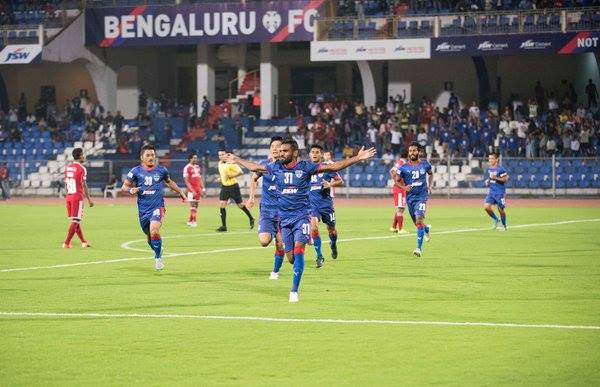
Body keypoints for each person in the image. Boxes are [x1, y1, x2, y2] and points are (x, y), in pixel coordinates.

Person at [226, 139, 376, 302]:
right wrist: (237, 160)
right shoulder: (275, 167)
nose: (281, 153)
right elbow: (255, 168)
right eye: (280, 151)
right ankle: (298, 255)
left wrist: (357, 158)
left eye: (285, 151)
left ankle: (294, 292)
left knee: (299, 251)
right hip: (284, 219)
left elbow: (333, 167)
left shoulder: (305, 167)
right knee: (290, 258)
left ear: (294, 153)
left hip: (302, 217)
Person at [121, 145, 187, 270]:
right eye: (148, 155)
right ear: (142, 157)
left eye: (153, 155)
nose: (151, 157)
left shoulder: (162, 170)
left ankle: (158, 258)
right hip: (143, 210)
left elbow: (170, 182)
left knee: (154, 231)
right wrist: (131, 190)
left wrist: (181, 192)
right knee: (149, 237)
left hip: (158, 207)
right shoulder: (135, 171)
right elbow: (124, 186)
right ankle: (158, 250)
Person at [247, 136, 285, 279]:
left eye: (278, 146)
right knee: (264, 242)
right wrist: (251, 197)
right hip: (267, 209)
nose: (275, 148)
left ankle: (275, 271)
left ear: (283, 149)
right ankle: (269, 231)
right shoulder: (264, 165)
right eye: (272, 146)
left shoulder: (288, 166)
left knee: (280, 245)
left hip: (284, 210)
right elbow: (254, 178)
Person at [395, 142, 433, 258]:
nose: (412, 153)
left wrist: (430, 186)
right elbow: (396, 180)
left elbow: (431, 174)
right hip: (410, 198)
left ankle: (418, 248)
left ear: (419, 152)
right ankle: (426, 229)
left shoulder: (425, 164)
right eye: (410, 151)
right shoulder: (403, 167)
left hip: (422, 196)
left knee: (418, 220)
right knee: (417, 223)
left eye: (414, 150)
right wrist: (404, 187)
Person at [308, 144, 343, 268]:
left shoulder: (327, 168)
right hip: (312, 205)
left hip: (326, 205)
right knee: (314, 227)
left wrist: (330, 184)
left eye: (317, 152)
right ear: (309, 154)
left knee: (331, 230)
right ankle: (319, 256)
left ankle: (333, 244)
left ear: (321, 154)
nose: (315, 154)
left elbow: (340, 180)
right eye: (313, 152)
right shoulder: (306, 169)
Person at [216, 149, 255, 232]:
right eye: (219, 155)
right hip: (224, 187)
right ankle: (224, 226)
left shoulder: (231, 163)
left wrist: (231, 175)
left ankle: (251, 218)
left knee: (240, 205)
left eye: (222, 154)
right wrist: (220, 178)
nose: (221, 156)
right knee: (222, 204)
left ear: (227, 155)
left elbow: (240, 172)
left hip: (233, 187)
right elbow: (223, 174)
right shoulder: (219, 163)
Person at [63, 148, 94, 248]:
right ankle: (66, 243)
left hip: (69, 197)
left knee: (75, 220)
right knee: (76, 221)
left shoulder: (68, 168)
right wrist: (89, 199)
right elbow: (84, 185)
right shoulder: (82, 169)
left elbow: (66, 184)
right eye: (83, 154)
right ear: (80, 156)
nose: (84, 156)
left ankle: (84, 242)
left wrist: (67, 196)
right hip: (77, 197)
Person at [483, 152, 508, 231]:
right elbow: (491, 178)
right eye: (489, 158)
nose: (490, 160)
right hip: (492, 192)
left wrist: (495, 178)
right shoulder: (490, 168)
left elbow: (505, 179)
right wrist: (488, 180)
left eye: (492, 158)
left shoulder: (501, 169)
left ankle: (504, 226)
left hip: (500, 192)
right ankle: (496, 219)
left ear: (496, 159)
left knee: (501, 210)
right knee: (486, 207)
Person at [183, 153, 203, 227]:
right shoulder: (186, 167)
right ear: (190, 159)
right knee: (192, 205)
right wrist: (192, 190)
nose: (196, 159)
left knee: (196, 206)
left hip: (198, 189)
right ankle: (194, 221)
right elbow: (186, 181)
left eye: (196, 158)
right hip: (191, 190)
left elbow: (199, 178)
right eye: (194, 158)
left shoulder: (198, 167)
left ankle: (190, 221)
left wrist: (202, 188)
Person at [389, 156, 408, 234]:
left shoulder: (403, 163)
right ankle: (400, 229)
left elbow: (392, 171)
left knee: (401, 208)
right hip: (399, 189)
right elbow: (392, 171)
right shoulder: (402, 162)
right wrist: (397, 182)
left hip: (401, 189)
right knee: (401, 208)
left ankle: (393, 227)